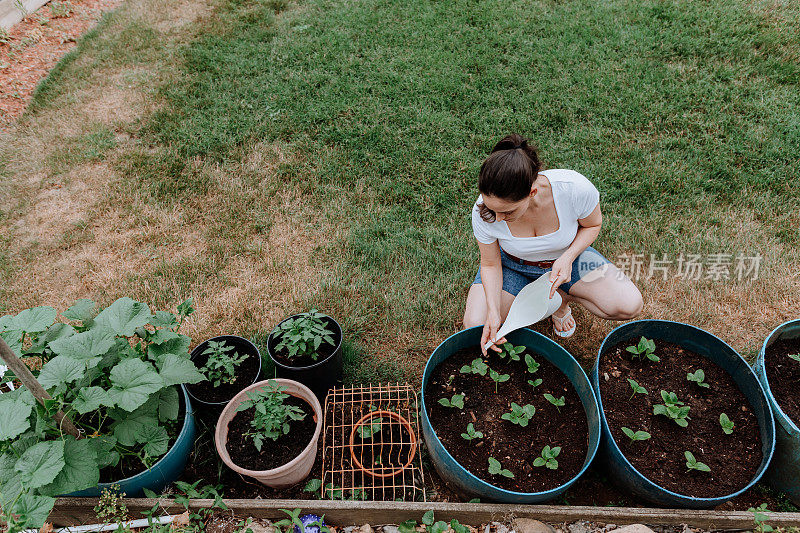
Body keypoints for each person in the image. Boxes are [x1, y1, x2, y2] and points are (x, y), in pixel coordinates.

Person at [463, 134, 643, 353]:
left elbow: (592, 225)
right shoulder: (483, 210)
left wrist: (568, 258)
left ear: (532, 192)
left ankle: (561, 301)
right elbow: (490, 264)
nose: (497, 218)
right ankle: (546, 299)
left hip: (568, 259)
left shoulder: (573, 188)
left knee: (628, 305)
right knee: (475, 326)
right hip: (511, 265)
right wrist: (493, 310)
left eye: (506, 211)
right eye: (492, 209)